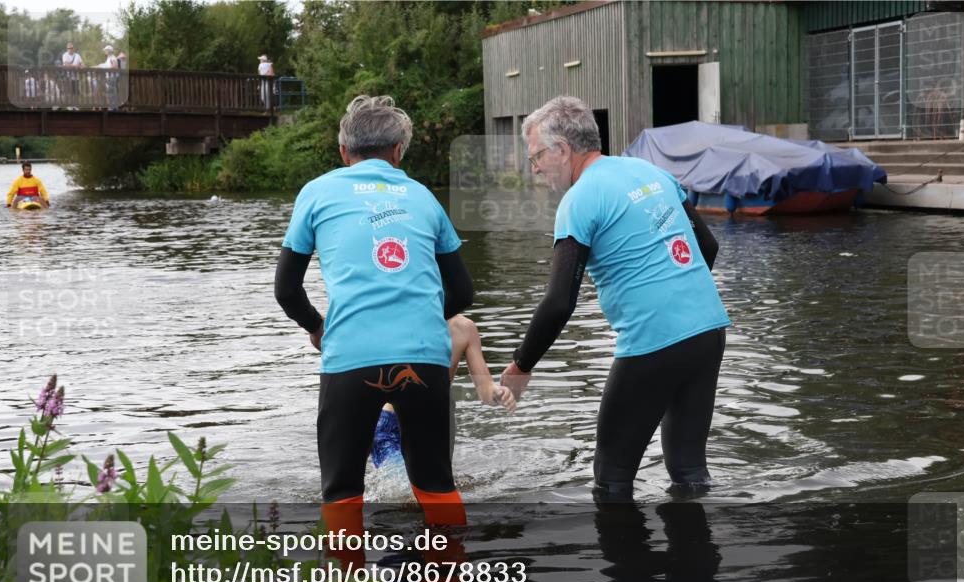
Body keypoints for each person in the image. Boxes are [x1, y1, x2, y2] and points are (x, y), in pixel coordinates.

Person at [500, 96, 730, 501]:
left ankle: (625, 564)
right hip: (707, 329)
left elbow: (558, 302)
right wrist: (676, 302)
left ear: (562, 150)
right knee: (689, 469)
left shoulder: (581, 198)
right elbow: (706, 247)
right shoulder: (648, 171)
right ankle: (696, 559)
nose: (534, 168)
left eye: (536, 156)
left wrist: (521, 366)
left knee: (612, 478)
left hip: (654, 342)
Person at [275, 95, 474, 532]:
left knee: (343, 490)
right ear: (398, 151)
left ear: (344, 152)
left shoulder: (317, 192)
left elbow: (286, 289)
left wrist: (317, 326)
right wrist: (418, 316)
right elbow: (462, 291)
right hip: (423, 358)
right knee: (437, 484)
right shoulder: (422, 196)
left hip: (351, 355)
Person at [371, 314, 517, 468]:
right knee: (405, 486)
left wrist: (498, 393)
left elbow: (485, 389)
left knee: (442, 484)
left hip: (438, 422)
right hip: (394, 426)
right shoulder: (402, 318)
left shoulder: (465, 328)